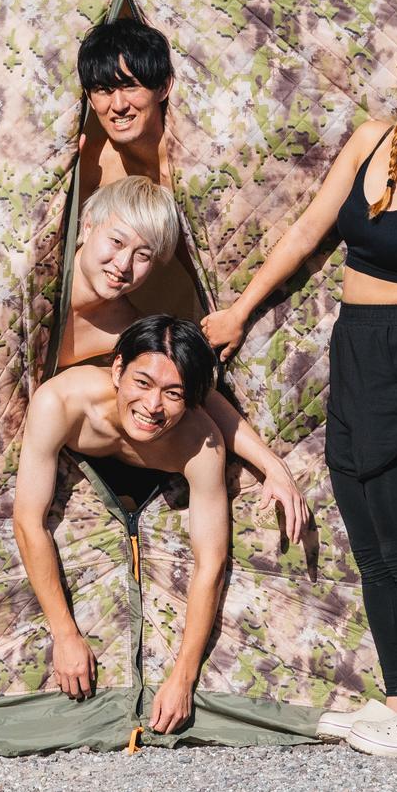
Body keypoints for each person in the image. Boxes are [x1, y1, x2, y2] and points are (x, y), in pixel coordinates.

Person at [200, 33, 397, 758]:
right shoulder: (374, 139)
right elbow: (310, 228)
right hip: (355, 347)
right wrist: (240, 309)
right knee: (368, 542)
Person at [55, 175, 310, 541]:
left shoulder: (126, 326)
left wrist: (272, 465)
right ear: (88, 226)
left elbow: (202, 393)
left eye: (143, 255)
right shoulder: (37, 281)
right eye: (116, 242)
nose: (123, 264)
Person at [14, 316, 228, 735]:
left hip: (154, 478)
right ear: (117, 370)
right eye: (142, 383)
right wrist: (64, 633)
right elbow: (28, 520)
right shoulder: (61, 402)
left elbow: (211, 563)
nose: (152, 405)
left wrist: (183, 678)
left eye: (173, 393)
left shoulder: (199, 444)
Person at [75, 18, 172, 200]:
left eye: (130, 87)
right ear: (90, 99)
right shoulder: (93, 164)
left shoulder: (192, 164)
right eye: (103, 90)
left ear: (163, 88)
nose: (119, 105)